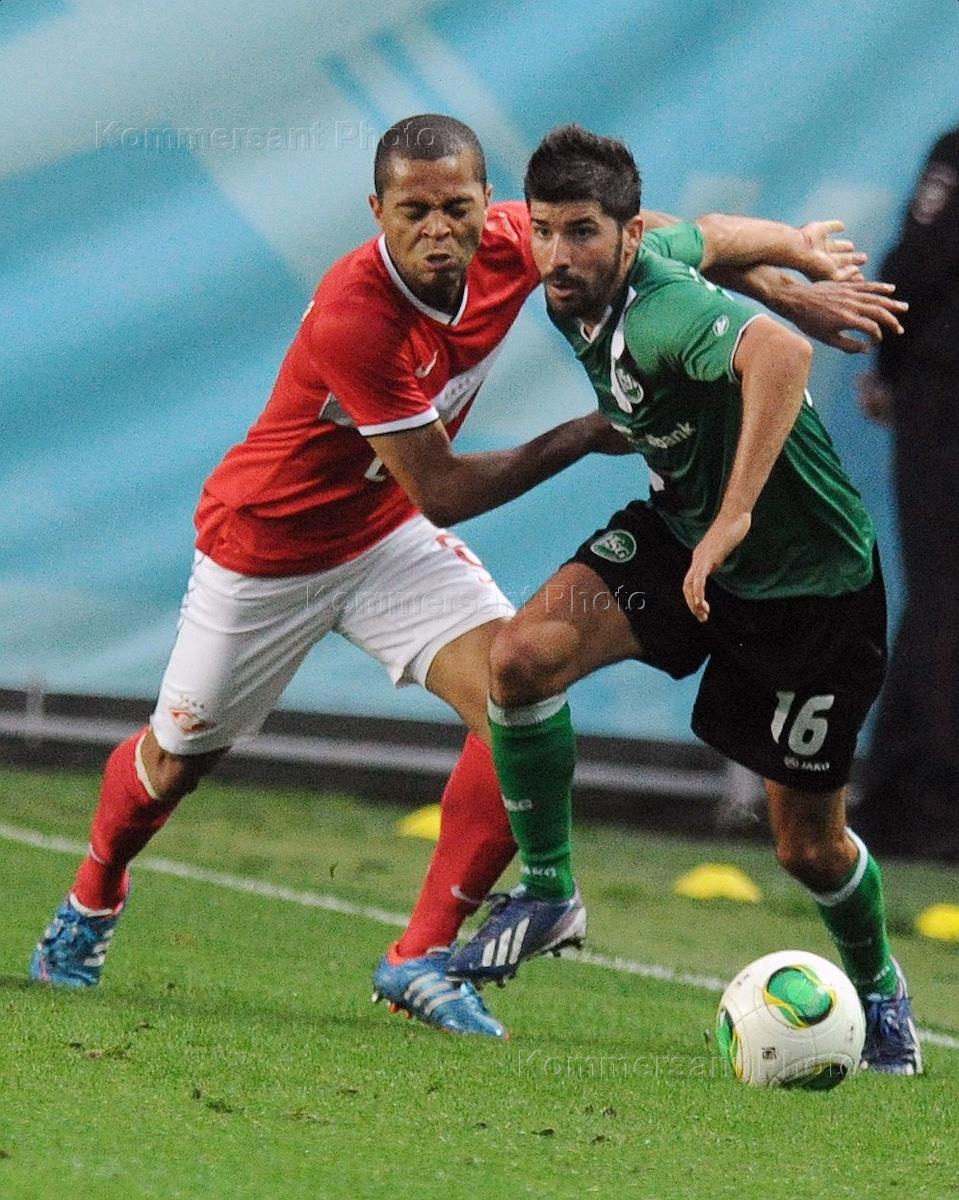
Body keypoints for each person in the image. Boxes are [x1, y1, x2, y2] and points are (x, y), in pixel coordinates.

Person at [30, 113, 905, 1041]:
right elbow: (443, 490)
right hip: (270, 550)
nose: (438, 229)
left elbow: (668, 239)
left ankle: (426, 953)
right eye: (413, 211)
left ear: (489, 206)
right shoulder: (355, 315)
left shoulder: (529, 242)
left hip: (387, 542)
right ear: (377, 212)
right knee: (176, 760)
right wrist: (585, 433)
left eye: (457, 207)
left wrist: (787, 276)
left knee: (512, 684)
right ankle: (92, 898)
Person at [447, 125, 922, 1076]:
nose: (555, 256)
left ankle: (880, 994)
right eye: (544, 230)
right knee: (521, 657)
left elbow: (778, 357)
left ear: (622, 238)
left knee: (807, 849)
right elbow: (704, 229)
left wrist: (736, 512)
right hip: (680, 541)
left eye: (581, 233)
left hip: (807, 588)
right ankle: (549, 890)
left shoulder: (661, 311)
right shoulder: (609, 265)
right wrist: (793, 257)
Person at [856, 124, 959, 862]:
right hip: (942, 392)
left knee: (942, 600)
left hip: (942, 393)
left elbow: (916, 262)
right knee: (943, 603)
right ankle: (908, 797)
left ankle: (913, 799)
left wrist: (890, 370)